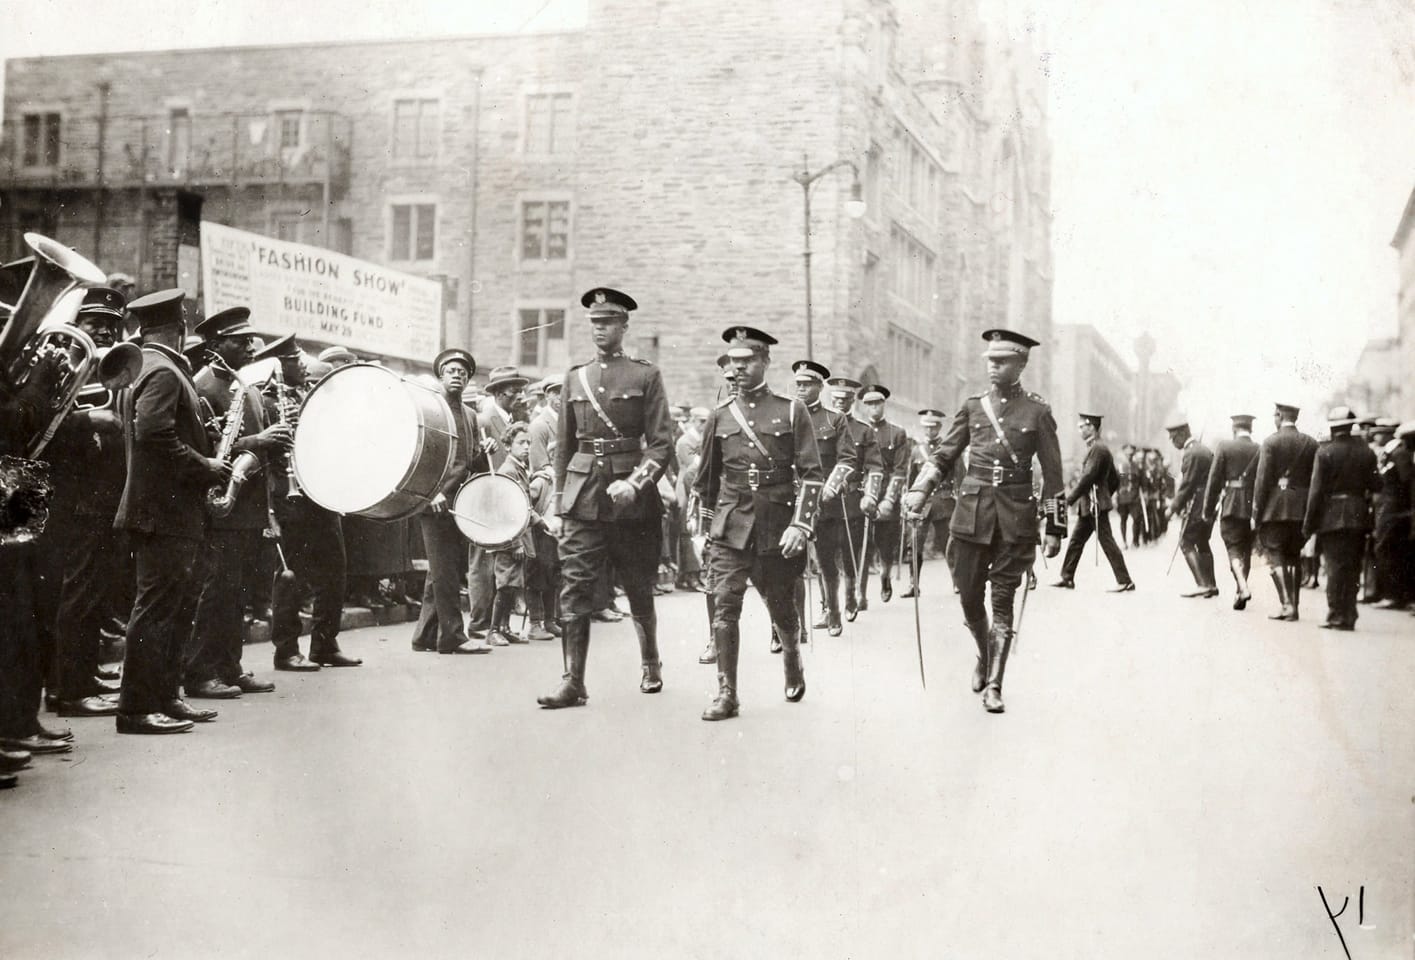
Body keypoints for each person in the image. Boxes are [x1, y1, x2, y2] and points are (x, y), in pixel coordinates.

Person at [903, 329, 1065, 715]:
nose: (993, 367)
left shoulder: (1038, 412)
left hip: (1016, 518)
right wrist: (920, 490)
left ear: (1021, 364)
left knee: (1003, 601)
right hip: (971, 516)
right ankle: (984, 654)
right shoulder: (973, 407)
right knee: (969, 596)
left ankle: (995, 684)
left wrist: (1055, 527)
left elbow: (1054, 474)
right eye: (990, 361)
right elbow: (944, 455)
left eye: (1002, 361)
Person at [537, 287, 673, 708]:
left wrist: (635, 483)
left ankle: (650, 662)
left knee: (638, 585)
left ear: (623, 326)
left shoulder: (645, 376)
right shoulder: (574, 378)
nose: (601, 330)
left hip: (631, 503)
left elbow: (661, 444)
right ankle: (572, 681)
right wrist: (559, 507)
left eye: (609, 322)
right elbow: (563, 448)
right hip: (582, 499)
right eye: (595, 323)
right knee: (575, 587)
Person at [113, 289, 230, 734]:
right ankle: (137, 708)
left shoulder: (151, 365)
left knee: (171, 609)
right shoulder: (162, 370)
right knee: (157, 610)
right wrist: (206, 466)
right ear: (178, 328)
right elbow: (154, 434)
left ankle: (164, 697)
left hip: (165, 512)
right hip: (164, 513)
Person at [694, 327, 822, 720]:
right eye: (734, 361)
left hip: (777, 526)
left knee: (781, 604)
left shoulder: (791, 410)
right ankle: (727, 694)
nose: (739, 368)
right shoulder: (720, 415)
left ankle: (792, 657)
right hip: (731, 525)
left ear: (765, 361)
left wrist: (800, 526)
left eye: (747, 360)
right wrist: (702, 532)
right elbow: (706, 481)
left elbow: (812, 475)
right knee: (725, 605)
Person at [184, 307, 288, 698]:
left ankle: (230, 667)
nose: (250, 346)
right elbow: (205, 446)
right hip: (221, 505)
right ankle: (200, 672)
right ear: (216, 344)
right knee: (216, 593)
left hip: (246, 504)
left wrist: (274, 444)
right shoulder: (203, 385)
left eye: (250, 340)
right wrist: (259, 441)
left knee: (236, 593)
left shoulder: (244, 384)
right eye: (240, 341)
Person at [45, 287, 130, 718]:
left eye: (112, 325)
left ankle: (81, 674)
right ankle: (70, 688)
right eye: (95, 323)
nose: (105, 332)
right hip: (74, 497)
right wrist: (88, 419)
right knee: (78, 594)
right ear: (76, 324)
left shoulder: (102, 367)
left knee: (92, 592)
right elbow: (41, 425)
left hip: (99, 497)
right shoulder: (59, 364)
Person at [259, 334, 359, 669]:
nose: (302, 364)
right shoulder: (266, 401)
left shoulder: (308, 396)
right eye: (294, 360)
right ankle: (286, 649)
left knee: (335, 570)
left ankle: (325, 644)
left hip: (319, 494)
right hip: (289, 498)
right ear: (278, 366)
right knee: (291, 575)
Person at [411, 348, 490, 655]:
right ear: (441, 376)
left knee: (442, 570)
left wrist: (484, 452)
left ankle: (424, 636)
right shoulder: (431, 409)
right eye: (451, 371)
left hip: (459, 501)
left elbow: (470, 463)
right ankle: (453, 637)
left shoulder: (470, 415)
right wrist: (430, 493)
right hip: (435, 501)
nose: (457, 376)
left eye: (463, 373)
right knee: (445, 573)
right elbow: (419, 456)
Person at [794, 360, 878, 640]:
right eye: (798, 384)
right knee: (800, 563)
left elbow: (847, 459)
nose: (801, 389)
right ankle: (797, 622)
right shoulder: (788, 415)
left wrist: (830, 488)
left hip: (828, 501)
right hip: (792, 498)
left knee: (828, 558)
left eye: (807, 384)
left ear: (820, 387)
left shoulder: (834, 420)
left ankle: (835, 609)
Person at [486, 423, 562, 645]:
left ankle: (505, 628)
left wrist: (541, 524)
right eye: (521, 442)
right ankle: (493, 631)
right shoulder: (508, 470)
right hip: (510, 539)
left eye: (529, 442)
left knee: (513, 584)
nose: (527, 447)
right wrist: (516, 543)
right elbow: (509, 511)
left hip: (519, 537)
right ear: (508, 446)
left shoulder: (519, 468)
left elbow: (525, 506)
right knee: (506, 585)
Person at [1304, 406, 1379, 630]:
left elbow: (1316, 491)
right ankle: (1350, 614)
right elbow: (1377, 485)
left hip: (1332, 516)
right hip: (1358, 516)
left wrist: (1309, 524)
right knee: (1353, 566)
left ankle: (1336, 614)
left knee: (1335, 567)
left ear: (1333, 428)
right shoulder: (1366, 452)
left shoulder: (1325, 452)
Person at [471, 366, 529, 637]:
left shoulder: (513, 420)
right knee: (483, 564)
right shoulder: (483, 421)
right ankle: (481, 624)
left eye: (520, 390)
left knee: (504, 567)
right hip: (486, 500)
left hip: (507, 501)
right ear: (497, 393)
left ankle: (500, 625)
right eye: (513, 390)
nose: (519, 395)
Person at [1252, 402, 1319, 621]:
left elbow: (1262, 481)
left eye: (1275, 415)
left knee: (1275, 554)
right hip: (1301, 508)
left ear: (1280, 416)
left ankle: (1286, 605)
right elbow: (1315, 479)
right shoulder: (1311, 443)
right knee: (1294, 555)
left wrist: (1256, 513)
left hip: (1275, 508)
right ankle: (1294, 606)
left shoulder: (1270, 442)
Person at [822, 377, 882, 623]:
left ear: (852, 401)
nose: (840, 403)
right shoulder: (821, 424)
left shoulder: (863, 430)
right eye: (836, 399)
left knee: (849, 553)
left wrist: (870, 495)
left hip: (851, 501)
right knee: (825, 556)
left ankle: (850, 596)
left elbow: (875, 467)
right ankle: (830, 607)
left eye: (845, 399)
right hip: (825, 501)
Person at [1054, 413, 1134, 591]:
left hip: (1094, 505)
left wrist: (1069, 500)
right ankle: (1067, 577)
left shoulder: (1097, 449)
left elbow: (1087, 477)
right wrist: (1105, 495)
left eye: (1082, 427)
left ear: (1091, 427)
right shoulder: (1097, 447)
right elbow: (1114, 478)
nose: (1080, 430)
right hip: (1091, 505)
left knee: (1106, 541)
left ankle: (1125, 580)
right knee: (1076, 541)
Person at [856, 384, 908, 608]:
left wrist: (889, 499)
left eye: (877, 403)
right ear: (864, 407)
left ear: (883, 404)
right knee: (862, 545)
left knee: (886, 544)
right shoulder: (856, 431)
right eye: (869, 404)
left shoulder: (896, 433)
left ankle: (885, 575)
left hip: (887, 495)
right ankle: (860, 594)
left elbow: (900, 469)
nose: (873, 407)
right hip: (862, 494)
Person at [1203, 414, 1261, 609]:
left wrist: (1207, 510)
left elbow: (1214, 480)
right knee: (1246, 549)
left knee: (1233, 548)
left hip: (1231, 505)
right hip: (1251, 506)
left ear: (1234, 429)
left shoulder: (1224, 447)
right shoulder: (1259, 448)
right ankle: (1240, 591)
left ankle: (1242, 587)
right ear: (1250, 428)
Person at [526, 376, 563, 639]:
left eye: (564, 392)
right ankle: (536, 621)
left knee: (555, 567)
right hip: (547, 495)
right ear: (547, 395)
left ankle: (551, 618)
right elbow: (540, 464)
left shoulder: (569, 421)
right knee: (539, 567)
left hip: (564, 495)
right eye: (555, 392)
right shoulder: (540, 425)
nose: (561, 397)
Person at [902, 409, 954, 598]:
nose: (930, 431)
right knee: (914, 543)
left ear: (939, 427)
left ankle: (957, 581)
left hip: (943, 500)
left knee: (948, 543)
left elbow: (959, 474)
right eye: (926, 428)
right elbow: (911, 478)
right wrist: (907, 500)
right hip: (922, 503)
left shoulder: (948, 448)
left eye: (933, 427)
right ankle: (913, 584)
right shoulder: (917, 450)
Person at [1166, 419, 1219, 598]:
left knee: (1186, 541)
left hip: (1197, 503)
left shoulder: (1192, 453)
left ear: (1182, 434)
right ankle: (1211, 584)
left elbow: (1187, 485)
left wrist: (1173, 508)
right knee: (1203, 542)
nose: (1172, 442)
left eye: (1173, 437)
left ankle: (1202, 584)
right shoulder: (1203, 450)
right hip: (1209, 503)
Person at [1373, 420, 1413, 610]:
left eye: (1380, 432)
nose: (1375, 435)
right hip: (1388, 507)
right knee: (1385, 548)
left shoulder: (1399, 453)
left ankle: (1393, 594)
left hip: (1394, 509)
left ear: (1389, 433)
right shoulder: (1390, 452)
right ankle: (1391, 594)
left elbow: (1406, 483)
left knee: (1388, 549)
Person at [1114, 443, 1142, 548]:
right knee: (1123, 519)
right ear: (1124, 454)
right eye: (1128, 454)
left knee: (1137, 518)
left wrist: (1143, 492)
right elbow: (1116, 481)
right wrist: (1115, 495)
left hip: (1134, 497)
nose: (1129, 456)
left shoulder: (1137, 466)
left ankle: (1135, 541)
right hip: (1123, 497)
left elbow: (1141, 481)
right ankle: (1124, 541)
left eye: (1131, 454)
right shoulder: (1120, 467)